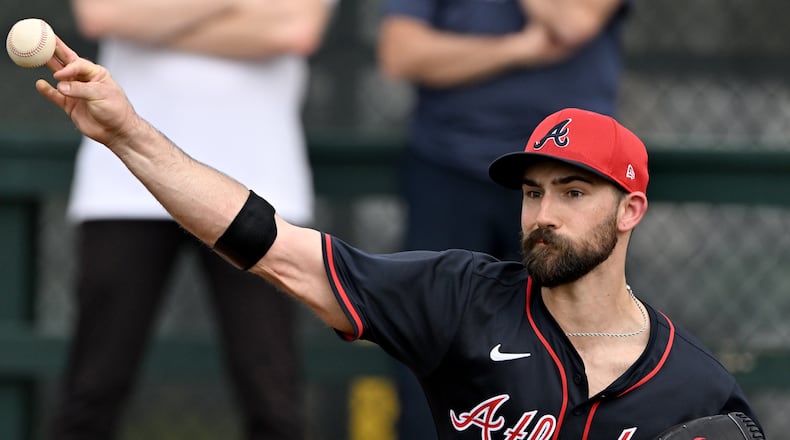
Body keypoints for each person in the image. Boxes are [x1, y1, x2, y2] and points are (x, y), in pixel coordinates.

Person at [36, 40, 763, 440]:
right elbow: (271, 245)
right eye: (533, 191)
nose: (544, 212)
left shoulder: (693, 391)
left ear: (629, 210)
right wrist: (127, 134)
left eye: (574, 193)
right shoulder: (459, 299)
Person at [48, 1, 334, 439]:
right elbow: (102, 15)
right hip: (122, 184)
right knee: (92, 393)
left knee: (274, 401)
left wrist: (154, 22)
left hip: (258, 184)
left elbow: (295, 30)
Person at [377, 2, 634, 435]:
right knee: (432, 337)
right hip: (449, 168)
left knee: (578, 337)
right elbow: (400, 54)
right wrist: (518, 48)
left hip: (574, 176)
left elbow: (573, 21)